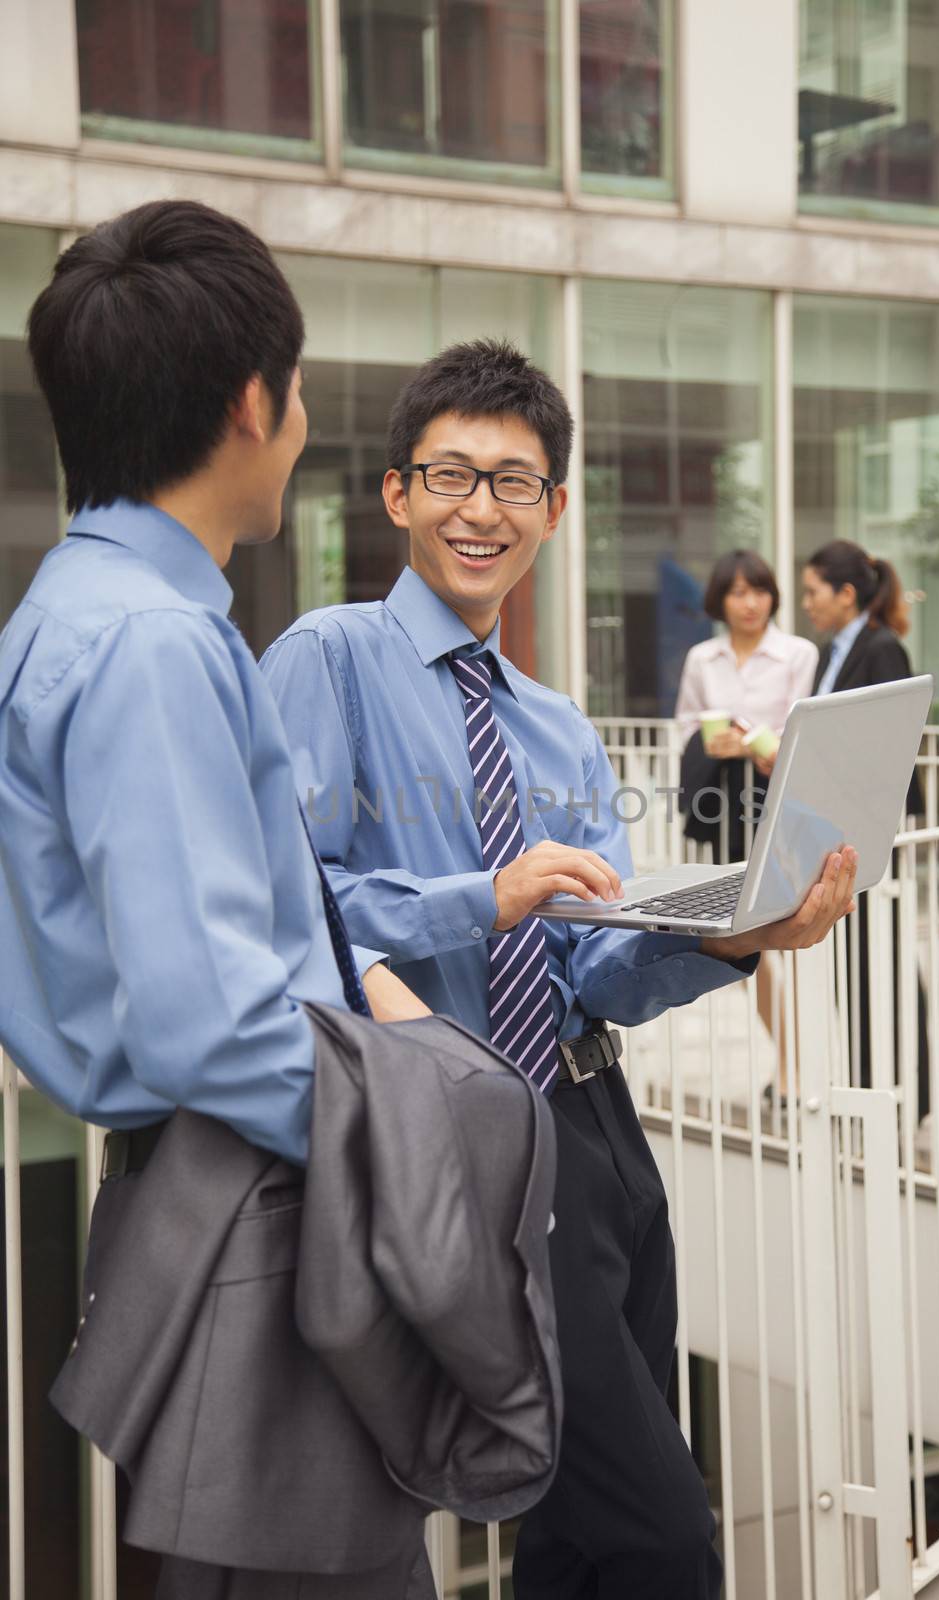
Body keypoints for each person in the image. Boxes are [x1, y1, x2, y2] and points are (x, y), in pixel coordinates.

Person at [261, 338, 858, 1600]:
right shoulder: (329, 657)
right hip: (461, 1137)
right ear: (396, 492)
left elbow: (591, 969)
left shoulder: (557, 725)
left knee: (579, 1542)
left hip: (596, 1133)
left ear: (554, 508)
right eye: (452, 476)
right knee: (664, 1541)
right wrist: (491, 894)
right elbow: (288, 905)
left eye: (514, 483)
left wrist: (733, 933)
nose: (482, 509)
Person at [0, 199, 433, 1600]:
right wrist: (421, 1131)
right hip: (247, 1210)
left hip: (198, 1200)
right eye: (298, 388)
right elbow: (203, 1025)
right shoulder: (152, 646)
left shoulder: (75, 612)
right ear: (256, 402)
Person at [675, 551, 817, 1099]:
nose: (750, 602)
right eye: (737, 592)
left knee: (794, 928)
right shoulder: (702, 658)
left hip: (781, 798)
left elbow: (805, 719)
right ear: (721, 600)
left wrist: (763, 740)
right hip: (723, 801)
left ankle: (801, 1065)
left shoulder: (796, 653)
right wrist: (714, 741)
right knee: (742, 935)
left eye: (758, 590)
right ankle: (789, 1057)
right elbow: (687, 723)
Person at [801, 538, 929, 1122]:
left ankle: (904, 1093)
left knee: (886, 957)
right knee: (855, 960)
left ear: (846, 594)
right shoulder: (835, 651)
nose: (806, 604)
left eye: (813, 591)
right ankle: (870, 1087)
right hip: (836, 826)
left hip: (867, 826)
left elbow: (893, 741)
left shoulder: (880, 649)